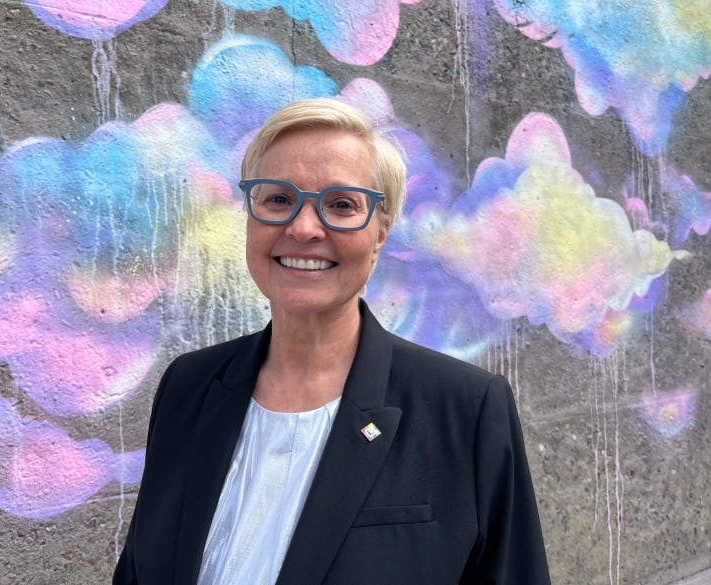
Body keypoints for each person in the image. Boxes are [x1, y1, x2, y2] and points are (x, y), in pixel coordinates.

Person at [113, 98, 552, 585]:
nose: (303, 228)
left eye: (342, 205)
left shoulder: (464, 410)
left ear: (380, 231)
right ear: (250, 214)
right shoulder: (188, 387)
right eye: (278, 199)